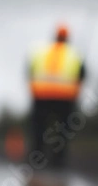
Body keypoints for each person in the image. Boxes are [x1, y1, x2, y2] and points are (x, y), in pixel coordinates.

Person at [29, 24, 86, 168]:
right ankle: (58, 161)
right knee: (63, 130)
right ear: (67, 38)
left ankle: (36, 158)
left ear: (55, 36)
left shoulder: (41, 51)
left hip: (42, 96)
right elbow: (82, 75)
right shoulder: (75, 54)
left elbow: (30, 71)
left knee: (39, 128)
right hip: (64, 97)